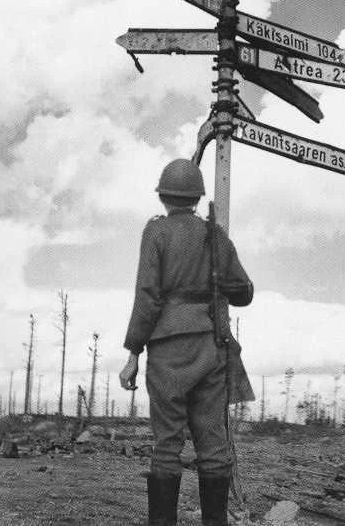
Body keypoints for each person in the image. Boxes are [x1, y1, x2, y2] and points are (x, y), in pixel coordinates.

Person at [119, 158, 254, 526]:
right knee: (213, 445)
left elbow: (147, 297)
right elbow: (244, 292)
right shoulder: (215, 235)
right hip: (211, 348)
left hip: (167, 352)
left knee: (167, 445)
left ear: (163, 196)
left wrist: (134, 352)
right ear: (197, 197)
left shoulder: (156, 233)